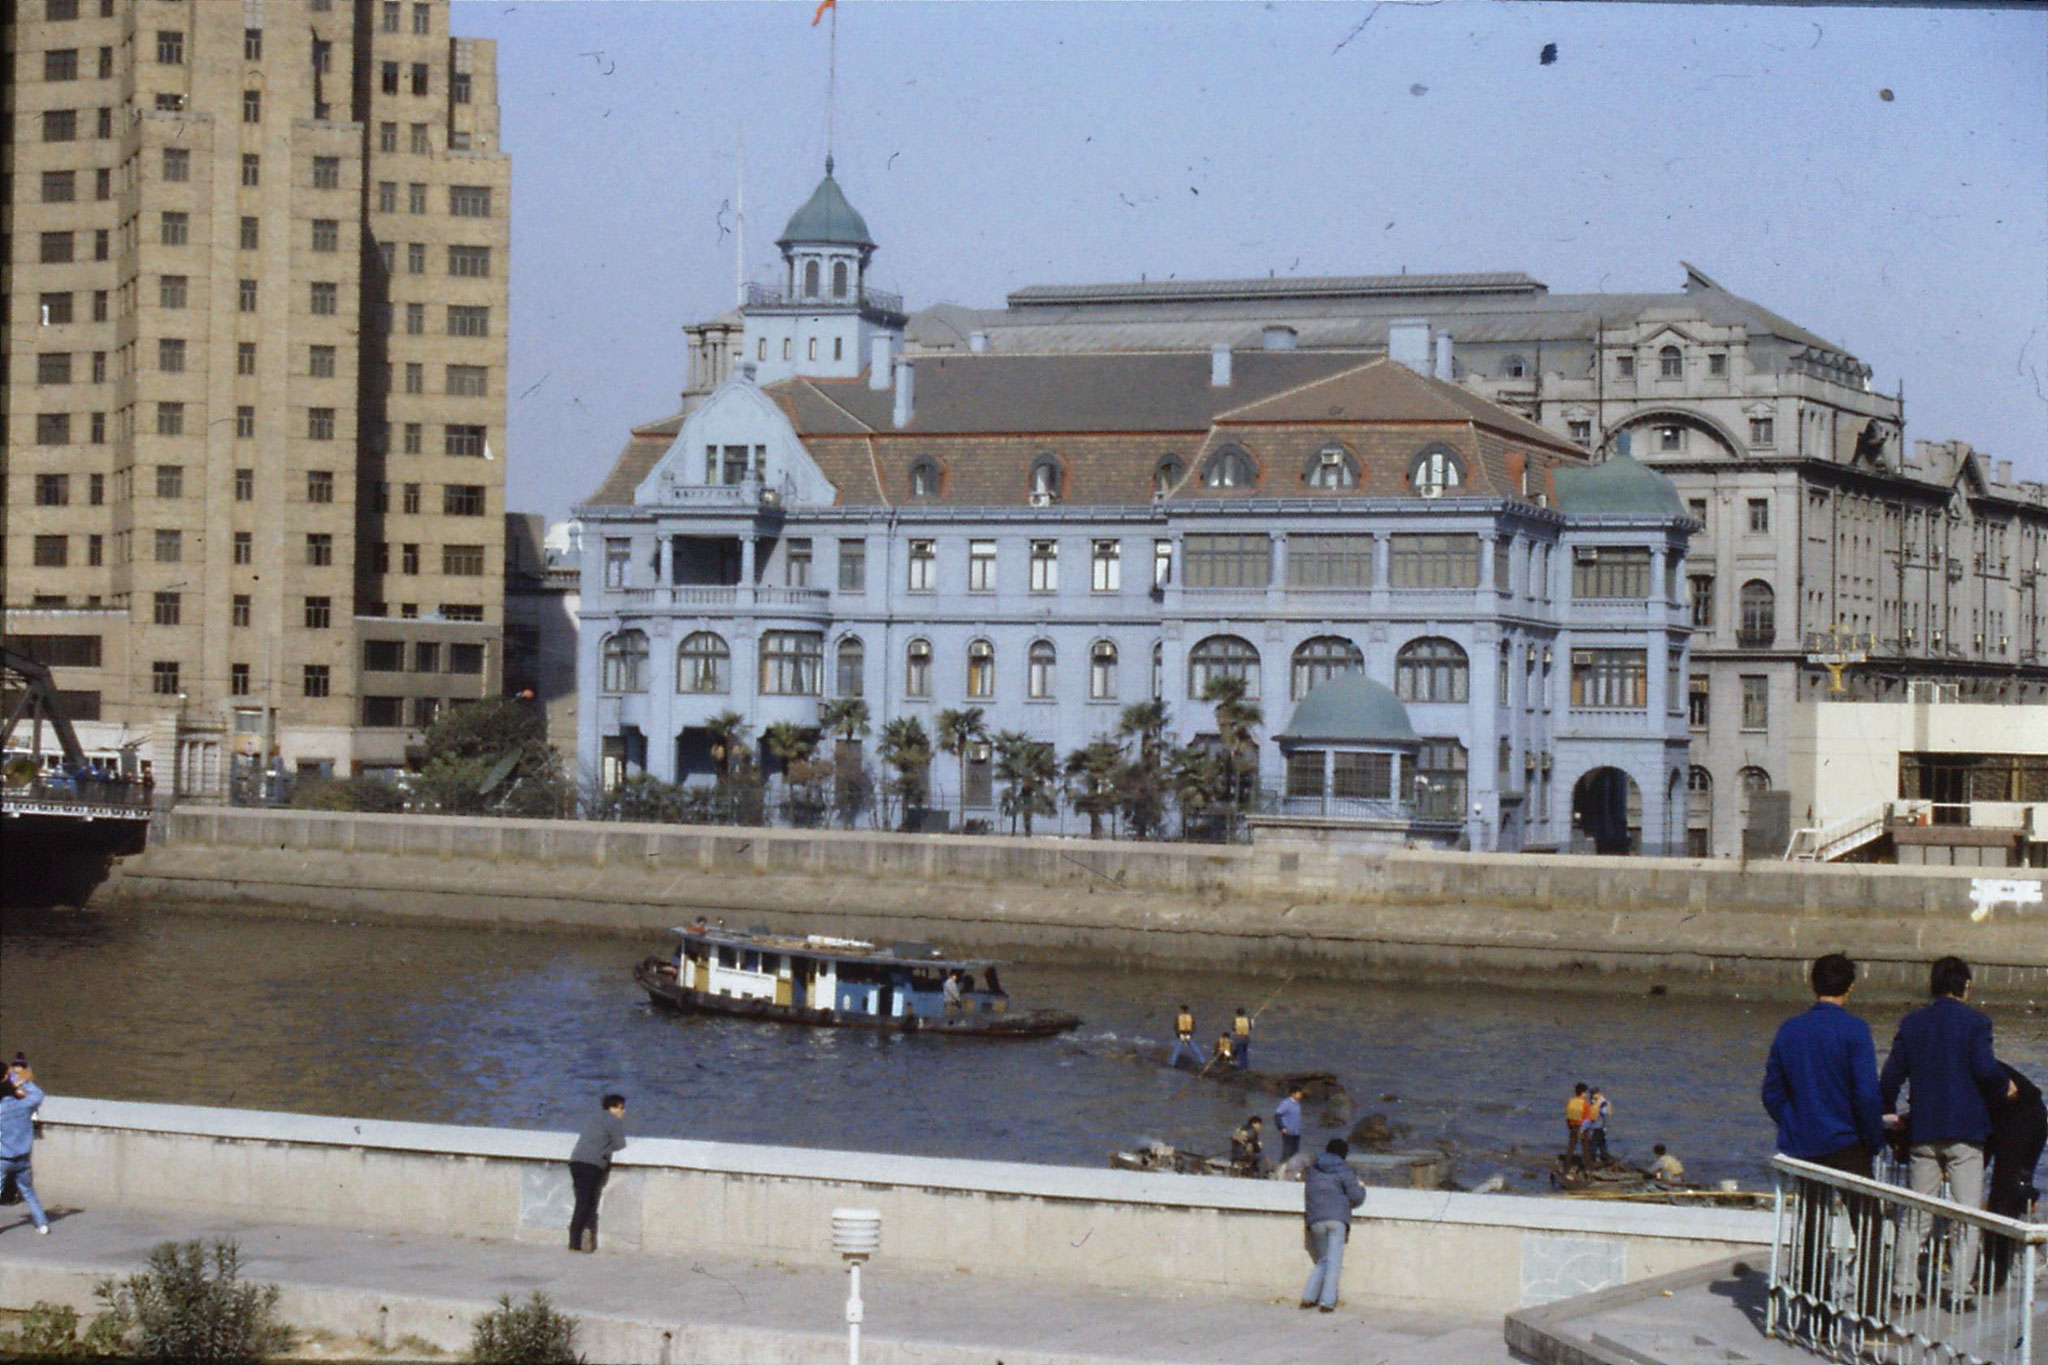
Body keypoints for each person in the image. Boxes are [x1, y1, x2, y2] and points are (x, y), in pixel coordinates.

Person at [1761, 953, 1887, 1329]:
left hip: (1805, 1144)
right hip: (1848, 1142)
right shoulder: (1855, 1031)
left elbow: (1771, 1091)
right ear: (1850, 986)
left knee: (1811, 1227)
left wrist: (1793, 1121)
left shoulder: (1790, 1030)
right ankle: (1869, 1317)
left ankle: (1810, 1311)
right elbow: (1866, 1094)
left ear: (1812, 984)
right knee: (1869, 1228)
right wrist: (1873, 1138)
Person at [1881, 956, 2009, 1301]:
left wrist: (1890, 1118)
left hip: (1923, 1132)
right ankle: (1958, 1290)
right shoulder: (1977, 1023)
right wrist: (2005, 1084)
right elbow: (1984, 1069)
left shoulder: (1912, 1024)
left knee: (1916, 1213)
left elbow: (1890, 1078)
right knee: (1965, 1215)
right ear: (1964, 986)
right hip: (1966, 1133)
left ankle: (1904, 1287)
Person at [1982, 1062, 2045, 1290]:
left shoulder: (1973, 1060)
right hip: (2019, 1114)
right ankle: (2008, 1259)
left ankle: (1995, 1273)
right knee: (2011, 1189)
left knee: (2004, 1194)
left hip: (2021, 1117)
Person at [1299, 1138, 1367, 1313]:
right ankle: (1327, 1302)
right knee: (1334, 1261)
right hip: (1337, 1219)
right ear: (1344, 1154)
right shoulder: (1345, 1170)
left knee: (1323, 1260)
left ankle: (1308, 1297)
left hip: (1316, 1219)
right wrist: (1361, 1187)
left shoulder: (1313, 1170)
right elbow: (1356, 1197)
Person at [567, 1093, 627, 1253]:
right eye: (620, 1108)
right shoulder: (613, 1121)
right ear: (612, 1108)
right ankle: (576, 1240)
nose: (623, 1112)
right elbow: (620, 1144)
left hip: (576, 1161)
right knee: (586, 1202)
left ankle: (577, 1239)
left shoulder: (594, 1118)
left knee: (582, 1200)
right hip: (592, 1164)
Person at [0, 1055, 49, 1235]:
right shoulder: (24, 1105)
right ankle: (42, 1224)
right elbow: (38, 1095)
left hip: (3, 1158)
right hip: (23, 1157)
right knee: (29, 1192)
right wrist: (19, 1081)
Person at [1580, 1087, 1611, 1165]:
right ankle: (1605, 1157)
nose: (1592, 1095)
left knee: (1594, 1143)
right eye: (1591, 1094)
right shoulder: (1593, 1102)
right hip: (1596, 1126)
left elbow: (1604, 1112)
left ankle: (1592, 1158)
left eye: (1593, 1094)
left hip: (1598, 1127)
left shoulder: (1602, 1103)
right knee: (1601, 1143)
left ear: (1597, 1093)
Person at [1275, 1085, 1305, 1165]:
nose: (1300, 1095)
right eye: (1299, 1093)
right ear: (1293, 1094)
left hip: (1296, 1133)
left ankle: (1292, 1170)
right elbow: (1277, 1115)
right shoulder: (1286, 1103)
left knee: (1295, 1154)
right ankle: (1282, 1168)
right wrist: (1282, 1127)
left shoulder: (1297, 1104)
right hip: (1288, 1132)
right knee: (1287, 1153)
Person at [1166, 1004, 1202, 1069]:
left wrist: (1190, 1035)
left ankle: (1202, 1061)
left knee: (1195, 1048)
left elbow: (1193, 1026)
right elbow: (1176, 1027)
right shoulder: (1179, 1017)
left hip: (1188, 1034)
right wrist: (1180, 1035)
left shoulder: (1190, 1017)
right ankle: (1172, 1062)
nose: (1183, 1011)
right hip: (1181, 1034)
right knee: (1177, 1049)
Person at [1563, 1083, 1589, 1161]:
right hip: (1582, 1128)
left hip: (1572, 1127)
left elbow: (1567, 1115)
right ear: (1583, 1093)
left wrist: (1570, 1126)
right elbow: (1587, 1119)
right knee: (1585, 1149)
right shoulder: (1585, 1104)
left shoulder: (1570, 1102)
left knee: (1571, 1147)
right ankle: (1587, 1167)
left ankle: (1566, 1165)